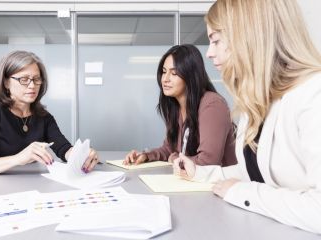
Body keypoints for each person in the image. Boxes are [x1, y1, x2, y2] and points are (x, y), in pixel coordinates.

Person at [173, 0, 321, 234]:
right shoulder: (259, 102)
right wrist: (200, 173)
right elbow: (258, 173)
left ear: (248, 36)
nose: (209, 53)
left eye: (216, 40)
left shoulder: (314, 95)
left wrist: (243, 193)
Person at [0, 50, 98, 185]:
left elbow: (64, 149)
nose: (32, 85)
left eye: (36, 79)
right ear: (6, 82)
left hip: (22, 187)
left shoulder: (43, 116)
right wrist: (18, 159)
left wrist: (80, 155)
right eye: (24, 79)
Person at [124, 44, 237, 166]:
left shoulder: (212, 105)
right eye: (164, 72)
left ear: (190, 76)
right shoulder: (176, 108)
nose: (165, 79)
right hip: (193, 182)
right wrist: (146, 156)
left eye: (174, 73)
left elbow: (208, 161)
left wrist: (175, 159)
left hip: (220, 182)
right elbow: (169, 149)